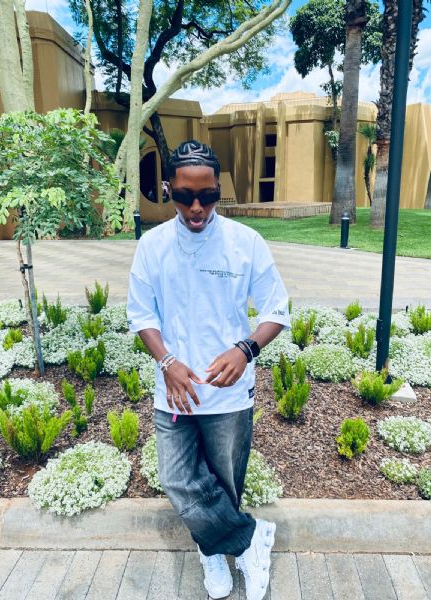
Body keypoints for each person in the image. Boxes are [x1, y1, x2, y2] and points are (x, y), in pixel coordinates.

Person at [127, 140, 290, 600]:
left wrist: (246, 349)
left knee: (224, 483)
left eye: (207, 196)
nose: (196, 208)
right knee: (177, 478)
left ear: (219, 189)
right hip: (175, 390)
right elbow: (141, 314)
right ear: (169, 190)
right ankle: (251, 539)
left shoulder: (245, 243)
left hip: (229, 393)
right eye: (184, 196)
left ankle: (212, 551)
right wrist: (167, 362)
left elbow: (277, 309)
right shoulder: (153, 246)